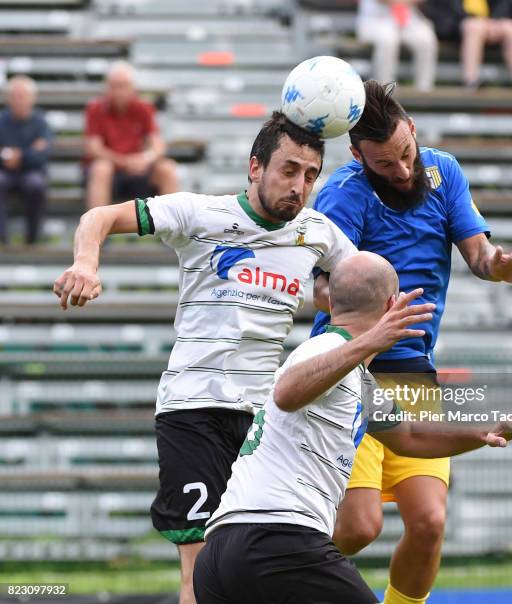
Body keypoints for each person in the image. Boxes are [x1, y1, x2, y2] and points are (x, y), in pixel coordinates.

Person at [53, 111, 357, 604]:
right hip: (194, 411)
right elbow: (99, 217)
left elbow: (358, 287)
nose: (299, 186)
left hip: (265, 425)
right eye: (288, 169)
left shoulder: (318, 233)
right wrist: (86, 262)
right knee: (200, 570)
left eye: (310, 175)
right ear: (254, 167)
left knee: (256, 565)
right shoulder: (200, 213)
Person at [310, 80, 512, 604]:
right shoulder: (343, 194)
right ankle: (259, 580)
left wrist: (500, 267)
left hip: (413, 375)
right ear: (357, 156)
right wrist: (374, 315)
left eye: (404, 154)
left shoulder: (445, 172)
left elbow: (482, 258)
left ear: (412, 131)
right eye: (383, 165)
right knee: (357, 528)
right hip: (352, 371)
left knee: (429, 521)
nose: (400, 170)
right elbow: (320, 288)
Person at [194, 251, 512, 604]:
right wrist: (370, 340)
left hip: (223, 554)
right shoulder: (325, 348)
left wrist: (486, 431)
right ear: (392, 305)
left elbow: (410, 437)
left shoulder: (357, 379)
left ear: (330, 300)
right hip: (277, 538)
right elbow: (287, 392)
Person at [84, 61, 179, 210]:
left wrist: (145, 159)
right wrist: (124, 162)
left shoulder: (144, 109)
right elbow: (94, 148)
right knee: (101, 168)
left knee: (167, 168)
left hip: (139, 170)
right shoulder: (95, 109)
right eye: (114, 86)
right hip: (112, 171)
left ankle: (173, 229)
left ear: (133, 88)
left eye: (123, 85)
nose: (119, 91)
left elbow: (158, 146)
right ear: (107, 88)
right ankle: (98, 228)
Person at [422, 0, 512, 89]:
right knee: (474, 27)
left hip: (489, 24)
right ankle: (470, 81)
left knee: (511, 27)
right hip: (456, 27)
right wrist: (478, 21)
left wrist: (493, 22)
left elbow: (503, 5)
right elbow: (447, 11)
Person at [0, 75, 52, 245]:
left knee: (35, 184)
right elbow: (36, 151)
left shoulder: (41, 123)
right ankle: (3, 239)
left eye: (22, 96)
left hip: (32, 172)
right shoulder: (1, 121)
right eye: (14, 96)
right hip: (5, 172)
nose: (18, 101)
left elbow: (42, 154)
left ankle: (32, 238)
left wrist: (19, 156)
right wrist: (27, 153)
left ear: (32, 99)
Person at [356, 0, 438, 92]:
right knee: (388, 40)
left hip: (408, 18)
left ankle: (424, 90)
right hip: (376, 19)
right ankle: (385, 91)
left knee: (426, 39)